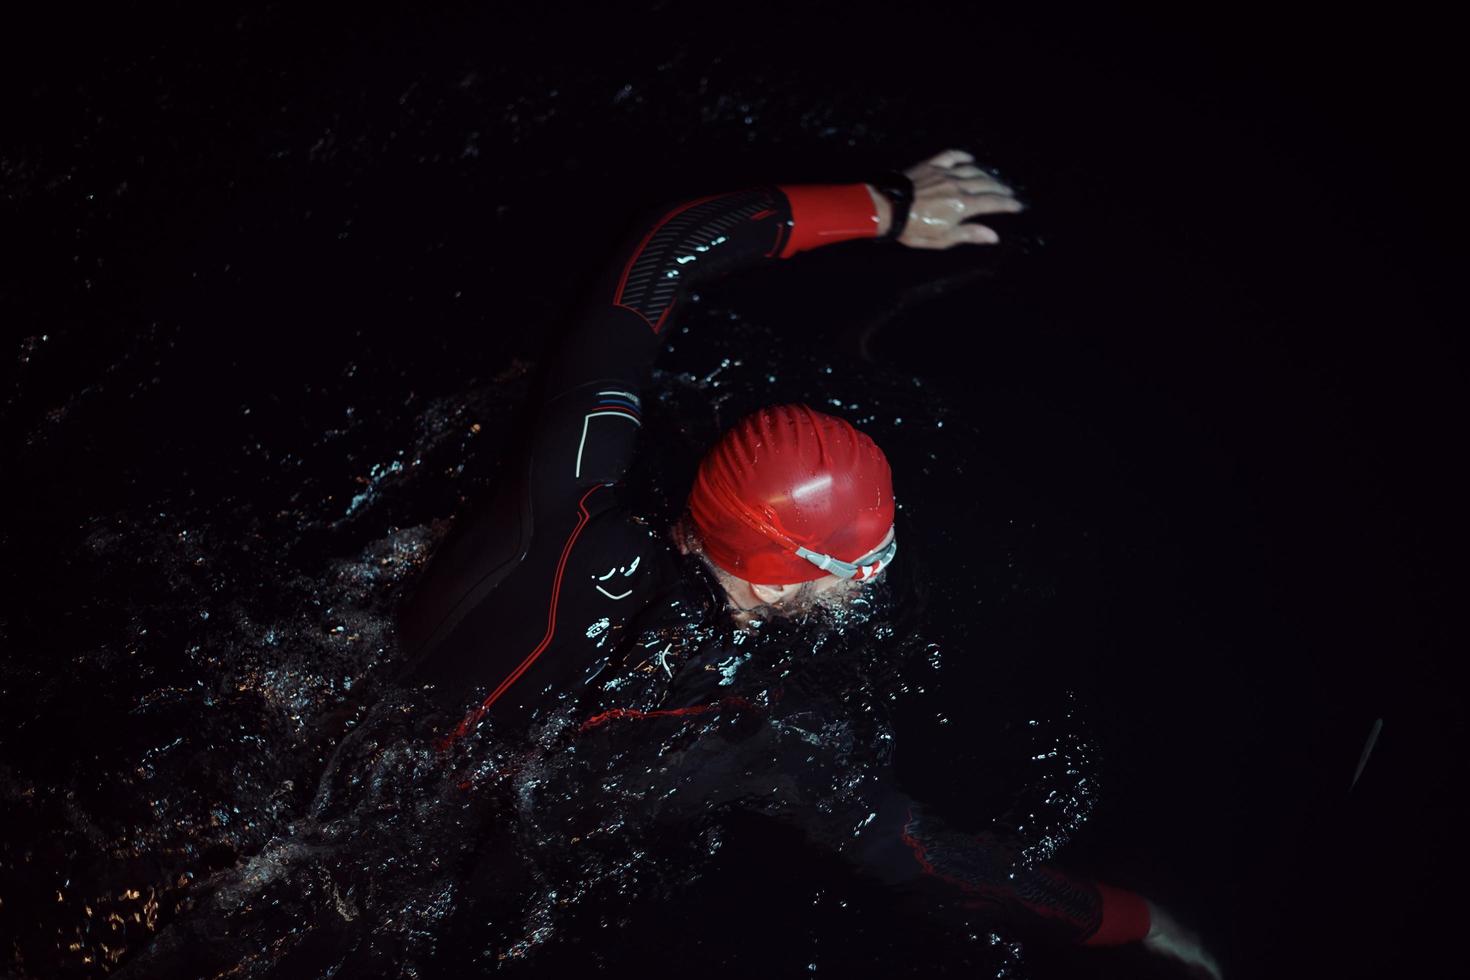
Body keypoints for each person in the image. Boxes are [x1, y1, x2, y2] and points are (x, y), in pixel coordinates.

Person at [396, 150, 1223, 977]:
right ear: (766, 578)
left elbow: (660, 251)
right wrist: (1137, 920)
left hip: (371, 738)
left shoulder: (564, 487)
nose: (872, 579)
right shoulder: (759, 730)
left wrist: (889, 207)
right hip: (413, 895)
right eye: (857, 565)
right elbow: (942, 865)